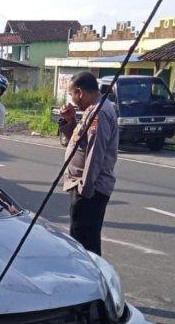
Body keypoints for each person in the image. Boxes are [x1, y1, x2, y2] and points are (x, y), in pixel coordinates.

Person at [59, 71, 118, 255]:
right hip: (83, 186)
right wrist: (70, 121)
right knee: (82, 240)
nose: (72, 100)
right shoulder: (91, 110)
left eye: (72, 95)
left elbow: (95, 155)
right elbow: (79, 142)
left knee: (84, 245)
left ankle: (89, 280)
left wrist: (85, 191)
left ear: (80, 92)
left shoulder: (98, 113)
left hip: (89, 190)